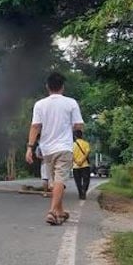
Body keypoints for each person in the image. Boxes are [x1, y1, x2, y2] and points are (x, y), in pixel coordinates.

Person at [26, 72, 84, 225]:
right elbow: (78, 125)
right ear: (62, 87)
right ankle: (52, 211)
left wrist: (30, 147)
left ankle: (60, 212)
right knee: (60, 180)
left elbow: (35, 127)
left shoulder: (40, 104)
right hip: (64, 147)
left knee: (55, 181)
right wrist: (70, 127)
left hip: (47, 149)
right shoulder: (71, 103)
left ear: (47, 87)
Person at [72, 129, 91, 200]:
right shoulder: (86, 143)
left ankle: (81, 194)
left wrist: (77, 162)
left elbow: (71, 155)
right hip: (85, 165)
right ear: (82, 135)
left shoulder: (72, 145)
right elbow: (87, 153)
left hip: (75, 166)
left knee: (78, 181)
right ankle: (84, 190)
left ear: (75, 136)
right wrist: (82, 161)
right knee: (86, 180)